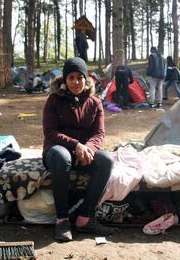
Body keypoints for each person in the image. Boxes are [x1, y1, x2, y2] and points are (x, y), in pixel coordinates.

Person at [43, 57, 114, 242]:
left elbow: (99, 133)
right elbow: (50, 132)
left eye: (79, 77)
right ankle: (62, 220)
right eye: (71, 77)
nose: (76, 82)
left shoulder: (95, 102)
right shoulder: (54, 100)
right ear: (65, 80)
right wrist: (76, 145)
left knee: (106, 160)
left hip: (84, 153)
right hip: (57, 151)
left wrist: (89, 148)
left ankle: (85, 219)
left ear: (86, 79)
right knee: (61, 156)